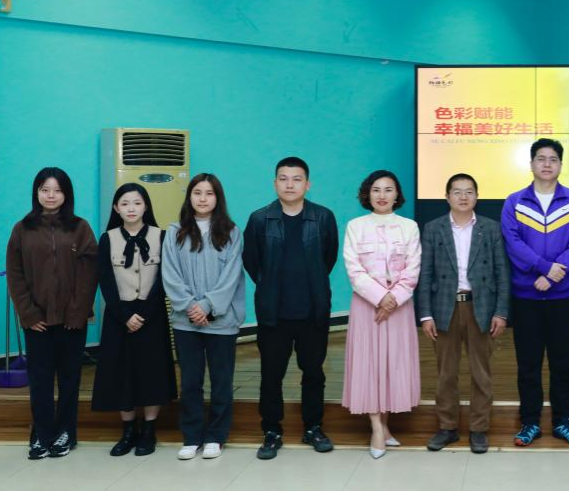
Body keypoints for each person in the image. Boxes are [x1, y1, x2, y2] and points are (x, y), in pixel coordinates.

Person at [243, 157, 340, 460]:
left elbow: (328, 258)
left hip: (313, 312)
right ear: (275, 183)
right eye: (283, 178)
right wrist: (270, 285)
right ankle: (272, 431)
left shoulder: (323, 217)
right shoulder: (260, 219)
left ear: (307, 184)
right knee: (271, 376)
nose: (289, 184)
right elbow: (252, 261)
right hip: (273, 313)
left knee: (314, 374)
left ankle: (313, 427)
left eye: (296, 179)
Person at [501, 138, 569, 447]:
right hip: (526, 299)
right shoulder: (515, 202)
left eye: (553, 159)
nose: (547, 164)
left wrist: (553, 276)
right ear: (531, 164)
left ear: (561, 165)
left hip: (564, 298)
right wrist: (544, 268)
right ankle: (529, 423)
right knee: (528, 364)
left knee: (562, 364)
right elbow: (513, 243)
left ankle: (564, 422)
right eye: (541, 158)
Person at [6, 167, 98, 460]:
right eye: (45, 190)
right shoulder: (22, 229)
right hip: (38, 322)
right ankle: (41, 434)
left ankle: (66, 432)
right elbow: (15, 275)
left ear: (66, 194)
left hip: (72, 321)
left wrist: (77, 313)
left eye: (57, 190)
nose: (51, 195)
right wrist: (29, 315)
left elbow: (89, 273)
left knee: (70, 379)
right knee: (41, 381)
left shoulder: (80, 228)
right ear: (36, 193)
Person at [417, 174, 510, 454]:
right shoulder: (433, 228)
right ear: (447, 197)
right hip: (444, 308)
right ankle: (447, 427)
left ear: (477, 196)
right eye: (457, 192)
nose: (463, 197)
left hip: (480, 307)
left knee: (481, 373)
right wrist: (425, 315)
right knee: (446, 373)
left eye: (469, 192)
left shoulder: (490, 228)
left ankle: (479, 429)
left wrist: (501, 312)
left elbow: (502, 273)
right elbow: (425, 274)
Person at [163, 173, 245, 460]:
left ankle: (216, 437)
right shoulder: (174, 232)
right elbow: (170, 274)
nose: (202, 198)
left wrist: (208, 305)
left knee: (221, 382)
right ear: (189, 197)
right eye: (197, 192)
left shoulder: (232, 232)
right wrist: (190, 306)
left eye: (209, 193)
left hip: (221, 322)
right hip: (186, 322)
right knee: (190, 381)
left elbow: (232, 275)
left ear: (218, 198)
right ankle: (192, 436)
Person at [92, 183, 177, 457]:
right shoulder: (107, 238)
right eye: (125, 203)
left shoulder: (161, 236)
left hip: (152, 314)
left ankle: (149, 430)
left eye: (137, 203)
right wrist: (124, 315)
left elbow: (165, 278)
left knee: (151, 372)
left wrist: (146, 313)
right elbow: (105, 280)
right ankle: (128, 430)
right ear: (116, 208)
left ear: (146, 206)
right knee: (121, 373)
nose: (131, 208)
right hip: (119, 316)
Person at [342, 170, 422, 459]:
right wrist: (379, 298)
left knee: (391, 364)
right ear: (367, 194)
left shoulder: (409, 227)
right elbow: (353, 269)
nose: (382, 195)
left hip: (398, 307)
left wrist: (393, 299)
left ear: (397, 195)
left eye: (388, 190)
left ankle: (386, 427)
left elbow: (413, 267)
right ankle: (376, 428)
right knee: (370, 365)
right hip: (367, 306)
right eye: (376, 190)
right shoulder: (356, 226)